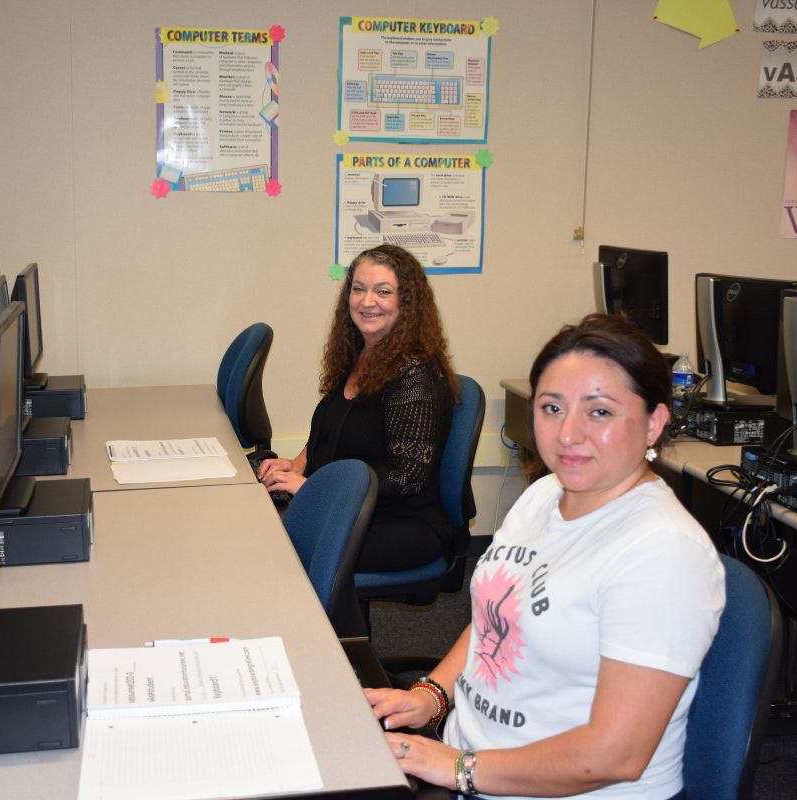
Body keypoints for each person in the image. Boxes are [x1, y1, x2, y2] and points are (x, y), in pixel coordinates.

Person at [365, 313, 725, 800]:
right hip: (468, 770)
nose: (568, 433)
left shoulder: (662, 553)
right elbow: (497, 619)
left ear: (653, 423)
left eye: (599, 412)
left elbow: (614, 755)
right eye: (552, 408)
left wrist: (459, 768)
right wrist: (431, 696)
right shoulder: (545, 494)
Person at [257, 244, 459, 571]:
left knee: (279, 551)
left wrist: (315, 490)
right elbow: (331, 429)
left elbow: (407, 475)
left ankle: (334, 624)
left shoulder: (415, 375)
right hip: (347, 507)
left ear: (407, 302)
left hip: (398, 523)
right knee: (262, 528)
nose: (367, 302)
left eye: (383, 291)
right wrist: (296, 466)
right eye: (358, 289)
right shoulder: (360, 355)